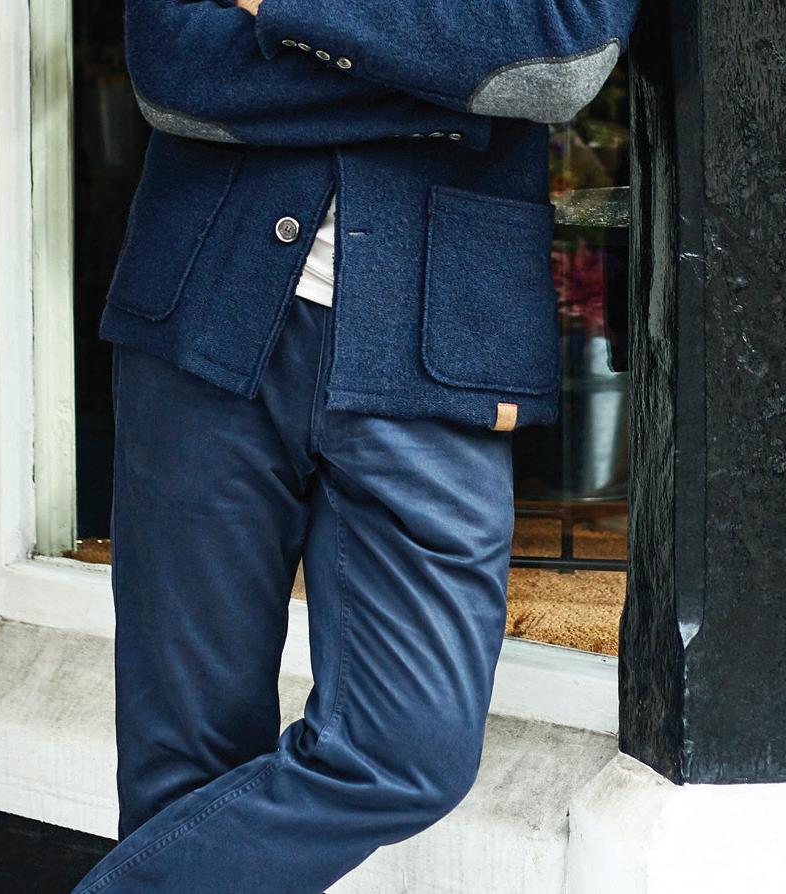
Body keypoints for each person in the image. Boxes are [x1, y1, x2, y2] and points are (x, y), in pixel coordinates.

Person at [70, 0, 641, 891]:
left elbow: (557, 58)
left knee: (406, 752)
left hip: (439, 350)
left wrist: (284, 12)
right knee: (183, 771)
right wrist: (453, 90)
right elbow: (176, 71)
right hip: (203, 318)